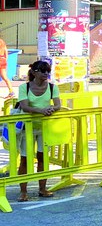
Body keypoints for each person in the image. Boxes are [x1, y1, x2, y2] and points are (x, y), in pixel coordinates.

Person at [16, 60, 61, 202]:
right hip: (27, 128)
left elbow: (58, 105)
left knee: (42, 158)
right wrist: (41, 110)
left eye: (48, 71)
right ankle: (23, 191)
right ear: (34, 72)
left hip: (44, 128)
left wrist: (51, 109)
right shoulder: (24, 87)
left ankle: (42, 189)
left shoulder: (53, 87)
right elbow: (25, 106)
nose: (46, 74)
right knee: (25, 159)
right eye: (43, 71)